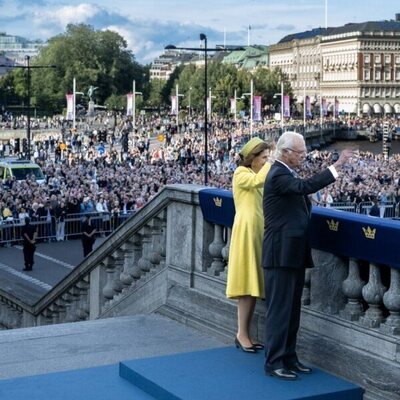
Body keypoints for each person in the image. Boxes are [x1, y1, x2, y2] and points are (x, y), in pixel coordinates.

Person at [262, 131, 353, 380]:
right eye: (300, 153)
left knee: (292, 311)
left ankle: (289, 358)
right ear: (286, 153)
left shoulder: (286, 171)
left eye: (304, 152)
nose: (304, 156)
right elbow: (305, 187)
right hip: (280, 252)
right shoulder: (278, 174)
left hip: (292, 250)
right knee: (280, 311)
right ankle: (274, 362)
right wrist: (336, 167)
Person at [226, 137, 274, 353]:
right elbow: (258, 182)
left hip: (258, 232)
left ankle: (246, 333)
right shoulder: (241, 173)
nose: (266, 161)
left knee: (253, 285)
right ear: (252, 159)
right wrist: (276, 161)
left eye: (267, 158)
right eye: (263, 157)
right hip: (246, 233)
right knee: (247, 284)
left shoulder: (257, 174)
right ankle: (241, 333)